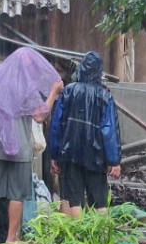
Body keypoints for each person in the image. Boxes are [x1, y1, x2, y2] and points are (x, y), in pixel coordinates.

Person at [0, 47, 63, 244]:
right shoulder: (27, 88)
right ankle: (11, 239)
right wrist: (53, 92)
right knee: (17, 195)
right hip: (21, 149)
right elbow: (40, 116)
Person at [48, 51, 121, 216]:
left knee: (73, 199)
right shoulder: (105, 96)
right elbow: (109, 130)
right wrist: (114, 160)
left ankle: (77, 237)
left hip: (70, 152)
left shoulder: (68, 92)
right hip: (96, 156)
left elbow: (56, 125)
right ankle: (99, 240)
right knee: (99, 201)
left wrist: (54, 153)